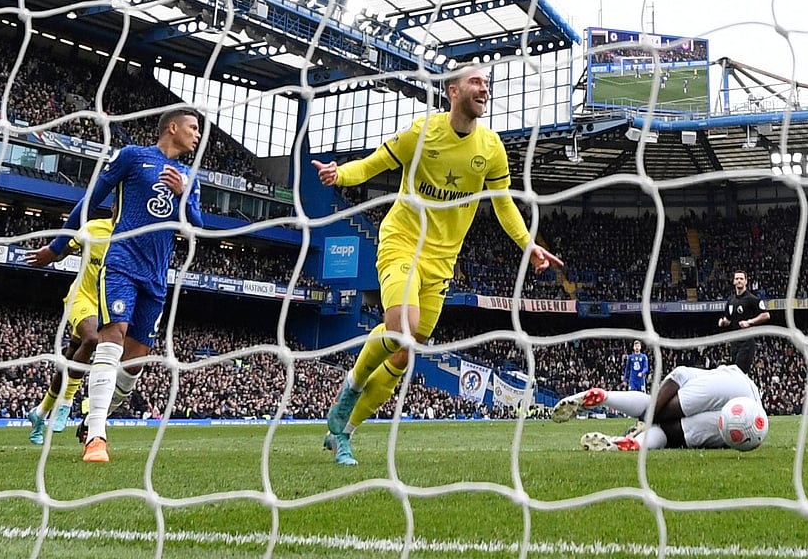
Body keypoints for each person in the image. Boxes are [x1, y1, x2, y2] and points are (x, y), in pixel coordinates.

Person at [311, 63, 562, 466]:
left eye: (487, 83)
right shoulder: (421, 131)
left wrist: (529, 244)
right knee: (402, 330)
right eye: (476, 82)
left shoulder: (491, 147)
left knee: (405, 353)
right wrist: (339, 174)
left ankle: (344, 433)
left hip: (443, 261)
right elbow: (373, 164)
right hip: (403, 241)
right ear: (452, 91)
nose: (485, 88)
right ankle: (351, 387)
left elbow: (503, 204)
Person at [27, 108, 202, 463]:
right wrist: (58, 247)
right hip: (121, 263)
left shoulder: (189, 177)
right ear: (173, 127)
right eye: (193, 127)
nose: (197, 135)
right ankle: (96, 439)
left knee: (134, 362)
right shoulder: (133, 157)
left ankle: (96, 415)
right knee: (110, 340)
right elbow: (90, 200)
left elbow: (197, 228)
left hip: (156, 275)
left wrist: (183, 195)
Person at [23, 202, 116, 445]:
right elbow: (65, 248)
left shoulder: (131, 238)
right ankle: (65, 404)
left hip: (103, 305)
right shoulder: (94, 228)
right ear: (116, 208)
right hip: (81, 297)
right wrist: (50, 254)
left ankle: (41, 412)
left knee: (71, 356)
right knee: (92, 340)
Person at [554, 363, 763, 451]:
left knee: (658, 410)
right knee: (669, 432)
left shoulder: (714, 373)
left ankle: (605, 396)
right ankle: (634, 443)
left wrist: (648, 418)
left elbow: (679, 374)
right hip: (752, 414)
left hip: (727, 379)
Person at [717, 270, 769, 373]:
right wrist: (722, 322)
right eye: (737, 279)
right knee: (733, 372)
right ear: (733, 281)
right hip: (734, 341)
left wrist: (749, 322)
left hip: (746, 342)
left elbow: (766, 315)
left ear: (746, 281)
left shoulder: (752, 299)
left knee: (739, 372)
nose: (739, 280)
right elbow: (728, 319)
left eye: (741, 278)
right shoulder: (731, 300)